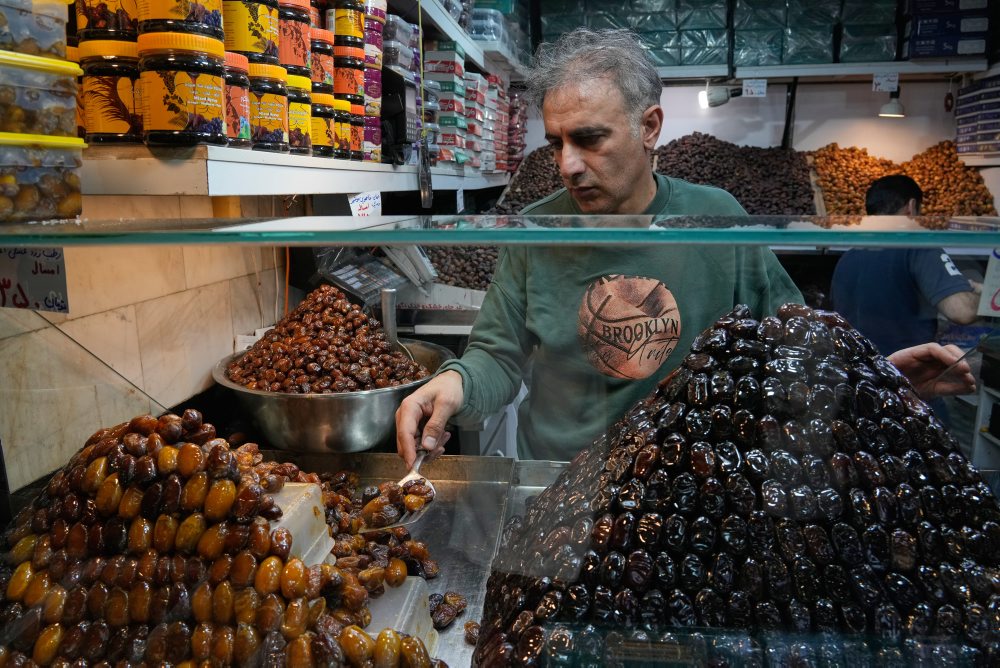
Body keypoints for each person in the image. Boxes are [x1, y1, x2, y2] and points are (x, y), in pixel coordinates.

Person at [396, 30, 976, 468]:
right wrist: (457, 385)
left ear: (650, 127)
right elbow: (497, 357)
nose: (568, 165)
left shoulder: (716, 219)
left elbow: (794, 343)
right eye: (556, 143)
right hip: (558, 484)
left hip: (690, 486)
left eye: (590, 139)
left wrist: (869, 382)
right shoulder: (533, 232)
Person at [831, 174, 983, 356]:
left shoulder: (847, 259)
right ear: (911, 207)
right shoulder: (919, 248)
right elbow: (962, 311)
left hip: (858, 374)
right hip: (904, 375)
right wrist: (990, 298)